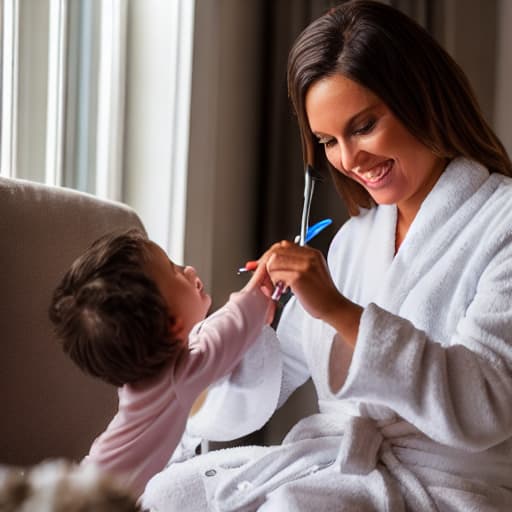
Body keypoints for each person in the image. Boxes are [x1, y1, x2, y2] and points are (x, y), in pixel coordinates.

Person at [140, 1, 512, 511]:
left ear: (421, 97)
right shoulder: (355, 239)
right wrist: (238, 333)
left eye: (363, 126)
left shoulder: (503, 223)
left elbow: (485, 405)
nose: (348, 160)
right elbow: (276, 376)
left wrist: (339, 310)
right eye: (327, 141)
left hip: (445, 488)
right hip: (336, 467)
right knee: (169, 493)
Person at [48, 228, 275, 498]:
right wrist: (263, 287)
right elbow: (232, 326)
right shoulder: (179, 376)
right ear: (173, 325)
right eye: (175, 270)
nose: (189, 269)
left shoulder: (138, 374)